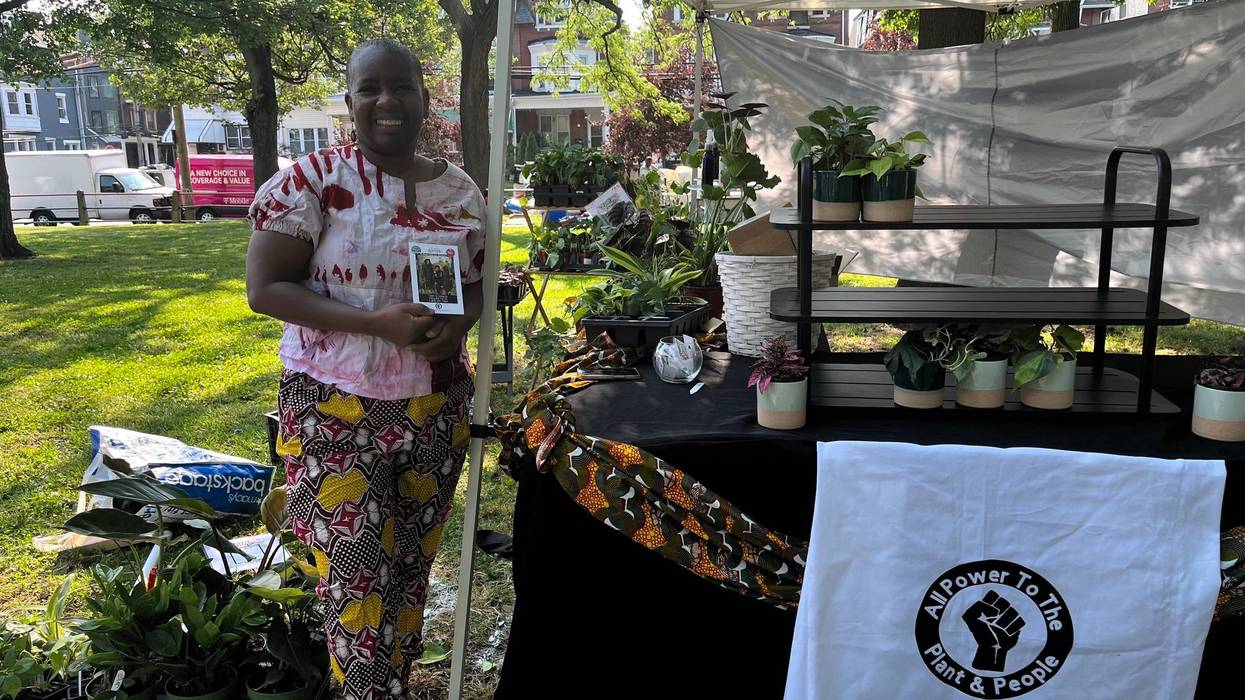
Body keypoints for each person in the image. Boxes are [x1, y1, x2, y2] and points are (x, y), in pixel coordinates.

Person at [245, 38, 484, 700]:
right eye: (369, 88)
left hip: (434, 409)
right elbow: (266, 289)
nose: (386, 101)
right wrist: (375, 324)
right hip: (333, 410)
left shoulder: (458, 191)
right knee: (353, 582)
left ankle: (393, 687)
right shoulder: (308, 182)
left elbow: (469, 282)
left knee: (409, 573)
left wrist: (457, 324)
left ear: (422, 96)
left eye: (400, 86)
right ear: (348, 101)